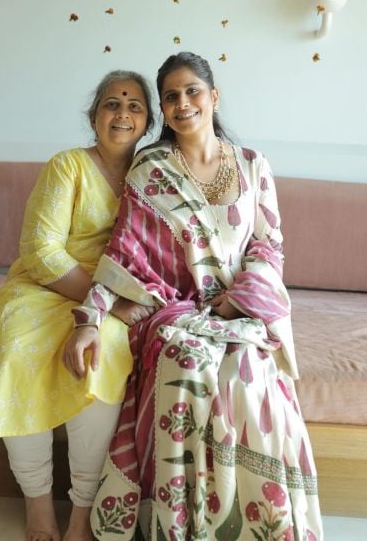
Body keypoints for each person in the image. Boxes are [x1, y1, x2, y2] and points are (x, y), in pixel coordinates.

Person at [65, 52, 323, 540]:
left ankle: (254, 527)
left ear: (213, 96)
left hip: (242, 312)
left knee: (248, 374)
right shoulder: (151, 169)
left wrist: (235, 303)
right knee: (187, 362)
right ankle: (180, 525)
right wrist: (89, 318)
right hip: (173, 313)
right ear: (163, 109)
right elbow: (125, 250)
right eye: (171, 96)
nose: (182, 103)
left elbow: (269, 245)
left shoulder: (252, 165)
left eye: (192, 91)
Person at [0, 70, 155, 541]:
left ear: (147, 122)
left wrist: (111, 309)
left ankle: (82, 512)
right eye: (111, 103)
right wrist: (104, 302)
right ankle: (38, 506)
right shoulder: (68, 165)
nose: (122, 113)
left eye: (134, 106)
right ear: (94, 115)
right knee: (13, 349)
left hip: (112, 298)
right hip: (46, 286)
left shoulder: (153, 175)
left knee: (100, 356)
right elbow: (40, 250)